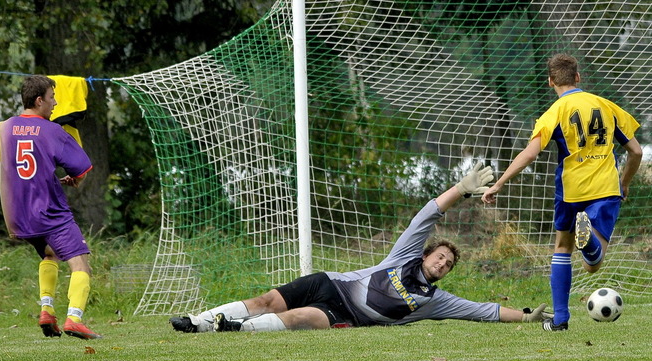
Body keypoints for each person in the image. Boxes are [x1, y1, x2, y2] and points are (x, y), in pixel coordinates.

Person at [170, 162, 551, 334]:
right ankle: (199, 321)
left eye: (448, 264)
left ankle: (232, 329)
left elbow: (482, 311)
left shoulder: (432, 301)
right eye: (440, 255)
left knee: (301, 319)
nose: (443, 263)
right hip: (329, 284)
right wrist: (461, 189)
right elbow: (425, 217)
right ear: (424, 255)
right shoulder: (404, 256)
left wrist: (527, 317)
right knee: (269, 300)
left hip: (347, 315)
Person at [481, 54, 643, 332]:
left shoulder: (554, 112)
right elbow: (636, 151)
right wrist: (624, 181)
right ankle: (589, 238)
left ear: (551, 82)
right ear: (578, 77)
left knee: (561, 248)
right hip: (605, 188)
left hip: (570, 190)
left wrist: (499, 182)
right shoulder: (606, 106)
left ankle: (560, 320)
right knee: (593, 265)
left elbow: (530, 153)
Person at [0, 75, 102, 340]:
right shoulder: (52, 130)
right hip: (50, 212)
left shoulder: (4, 128)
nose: (55, 104)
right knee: (81, 265)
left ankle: (47, 311)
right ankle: (75, 319)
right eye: (52, 98)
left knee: (50, 255)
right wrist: (75, 180)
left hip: (19, 216)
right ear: (39, 100)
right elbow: (83, 167)